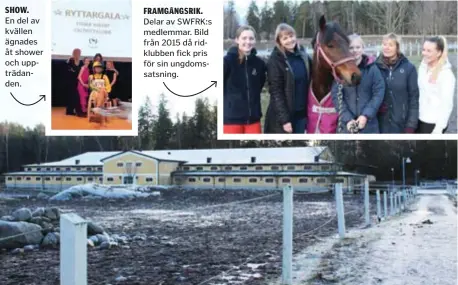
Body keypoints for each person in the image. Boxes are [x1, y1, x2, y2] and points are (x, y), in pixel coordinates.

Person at [331, 34, 385, 133]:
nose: (355, 50)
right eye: (351, 48)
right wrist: (347, 119)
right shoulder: (341, 71)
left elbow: (378, 92)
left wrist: (366, 115)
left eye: (358, 47)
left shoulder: (372, 69)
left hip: (369, 125)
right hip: (347, 126)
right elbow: (336, 96)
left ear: (363, 48)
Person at [264, 23, 311, 134]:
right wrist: (285, 120)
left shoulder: (303, 56)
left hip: (302, 115)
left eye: (291, 36)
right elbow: (276, 92)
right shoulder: (275, 60)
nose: (290, 40)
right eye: (285, 38)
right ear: (279, 41)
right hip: (285, 118)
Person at [223, 25, 266, 134]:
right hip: (231, 120)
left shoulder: (259, 64)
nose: (248, 41)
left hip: (253, 120)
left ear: (255, 40)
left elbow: (259, 85)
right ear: (237, 40)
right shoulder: (227, 62)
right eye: (244, 38)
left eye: (251, 38)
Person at [375, 33, 419, 133]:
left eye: (390, 45)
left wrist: (411, 124)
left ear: (397, 47)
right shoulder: (375, 67)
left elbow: (414, 98)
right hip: (380, 122)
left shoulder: (409, 68)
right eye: (384, 44)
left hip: (401, 123)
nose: (386, 47)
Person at [417, 36, 456, 134]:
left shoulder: (446, 75)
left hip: (433, 123)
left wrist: (439, 128)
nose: (424, 53)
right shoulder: (422, 68)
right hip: (419, 118)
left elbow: (447, 104)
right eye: (424, 50)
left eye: (429, 51)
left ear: (438, 53)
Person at [66, 48, 84, 116]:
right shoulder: (71, 60)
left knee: (76, 96)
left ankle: (75, 110)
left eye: (79, 53)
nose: (79, 54)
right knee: (72, 96)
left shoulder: (80, 61)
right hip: (71, 81)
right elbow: (67, 68)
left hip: (77, 81)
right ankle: (70, 111)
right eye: (78, 52)